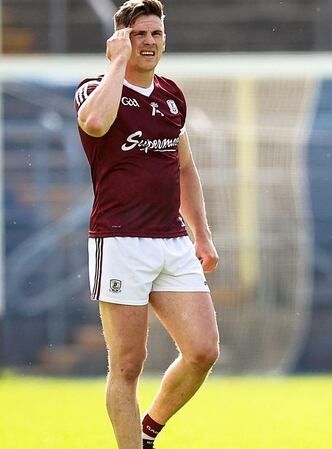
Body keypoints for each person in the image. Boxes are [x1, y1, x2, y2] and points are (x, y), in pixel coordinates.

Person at [73, 1, 220, 448]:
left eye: (156, 33)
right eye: (139, 34)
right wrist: (118, 62)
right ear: (120, 40)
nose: (150, 42)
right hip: (119, 242)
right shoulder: (93, 89)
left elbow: (185, 169)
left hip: (171, 241)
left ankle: (148, 431)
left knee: (202, 350)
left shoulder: (172, 95)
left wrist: (202, 234)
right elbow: (95, 124)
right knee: (128, 365)